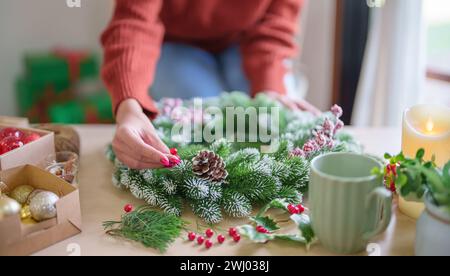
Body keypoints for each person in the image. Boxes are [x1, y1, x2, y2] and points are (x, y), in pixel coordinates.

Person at [101, 0, 320, 170]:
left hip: (246, 43)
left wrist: (270, 86)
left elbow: (275, 25)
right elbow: (134, 21)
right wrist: (129, 106)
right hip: (172, 44)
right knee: (209, 128)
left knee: (269, 119)